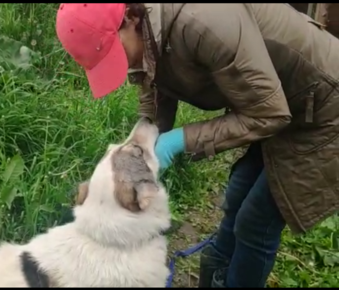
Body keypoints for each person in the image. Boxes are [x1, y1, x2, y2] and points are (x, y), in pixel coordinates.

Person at [55, 3, 339, 288]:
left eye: (117, 54)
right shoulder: (151, 26)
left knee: (256, 221)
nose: (125, 64)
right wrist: (144, 141)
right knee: (238, 191)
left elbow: (268, 113)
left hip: (325, 104)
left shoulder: (203, 23)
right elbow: (155, 83)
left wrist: (177, 142)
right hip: (280, 98)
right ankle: (216, 276)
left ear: (130, 17)